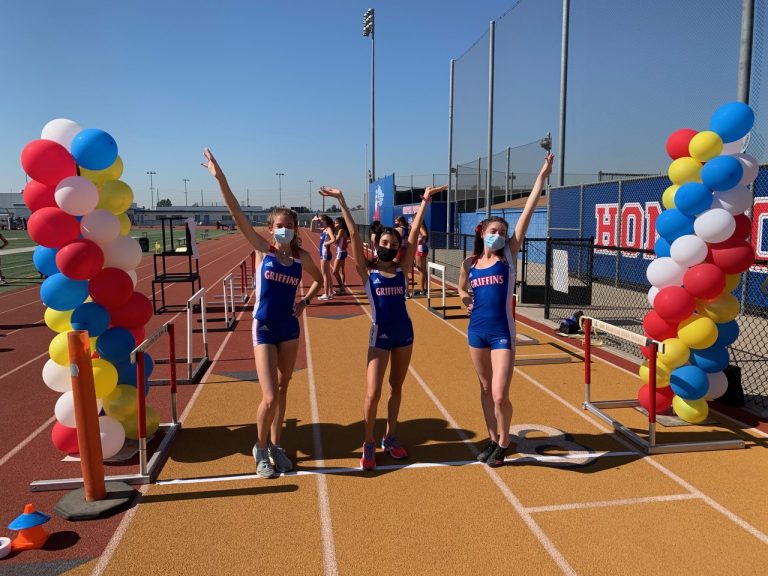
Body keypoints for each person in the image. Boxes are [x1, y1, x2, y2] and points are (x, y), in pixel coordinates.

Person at [203, 148, 323, 478]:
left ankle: (276, 446)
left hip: (290, 328)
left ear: (296, 228)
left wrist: (304, 302)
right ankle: (260, 447)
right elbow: (236, 213)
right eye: (280, 225)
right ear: (271, 229)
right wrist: (220, 178)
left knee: (284, 390)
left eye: (290, 225)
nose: (285, 229)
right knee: (269, 396)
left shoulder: (301, 259)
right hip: (264, 328)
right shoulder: (262, 250)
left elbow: (320, 280)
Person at [320, 183, 448, 471]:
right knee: (373, 392)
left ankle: (390, 437)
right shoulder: (368, 271)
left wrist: (425, 202)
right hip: (380, 337)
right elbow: (353, 235)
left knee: (396, 388)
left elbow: (412, 237)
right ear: (377, 243)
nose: (389, 247)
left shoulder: (402, 269)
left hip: (405, 335)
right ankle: (368, 441)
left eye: (393, 244)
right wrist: (342, 200)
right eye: (385, 243)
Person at [457, 153, 554, 468]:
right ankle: (492, 438)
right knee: (485, 388)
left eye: (502, 231)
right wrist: (465, 300)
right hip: (476, 332)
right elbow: (461, 289)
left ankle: (504, 440)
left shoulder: (508, 255)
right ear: (482, 232)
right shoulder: (470, 263)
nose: (498, 235)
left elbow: (527, 210)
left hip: (502, 333)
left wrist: (542, 176)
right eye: (494, 231)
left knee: (499, 394)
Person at [317, 215, 336, 300]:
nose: (320, 222)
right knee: (327, 274)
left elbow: (333, 239)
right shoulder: (324, 229)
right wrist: (314, 221)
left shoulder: (328, 229)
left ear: (326, 221)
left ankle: (326, 294)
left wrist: (325, 244)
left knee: (324, 275)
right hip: (325, 254)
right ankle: (331, 293)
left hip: (325, 254)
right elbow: (312, 230)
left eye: (321, 220)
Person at [332, 217, 349, 294]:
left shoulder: (341, 230)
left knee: (335, 272)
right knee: (341, 270)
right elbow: (345, 241)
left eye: (336, 223)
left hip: (340, 252)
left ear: (340, 224)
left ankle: (342, 288)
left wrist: (332, 234)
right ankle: (342, 288)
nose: (334, 224)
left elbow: (335, 241)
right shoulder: (343, 230)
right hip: (343, 251)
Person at [414, 223, 429, 296]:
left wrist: (419, 242)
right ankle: (425, 289)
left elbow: (424, 234)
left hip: (420, 249)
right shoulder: (421, 226)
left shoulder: (420, 226)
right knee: (423, 269)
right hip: (422, 248)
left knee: (420, 269)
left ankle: (422, 290)